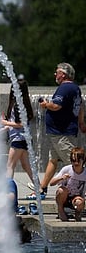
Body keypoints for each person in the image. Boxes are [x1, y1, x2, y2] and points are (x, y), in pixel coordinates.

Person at [33, 62, 85, 199]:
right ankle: (42, 189)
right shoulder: (75, 88)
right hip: (64, 131)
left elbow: (56, 106)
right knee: (53, 160)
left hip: (61, 133)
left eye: (57, 72)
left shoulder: (64, 88)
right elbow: (80, 107)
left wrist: (45, 104)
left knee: (74, 162)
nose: (55, 74)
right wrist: (81, 122)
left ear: (63, 74)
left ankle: (75, 193)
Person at [0, 79, 34, 184]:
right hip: (24, 138)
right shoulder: (23, 103)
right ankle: (40, 188)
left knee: (10, 166)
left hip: (18, 139)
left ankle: (8, 189)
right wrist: (5, 126)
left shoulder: (18, 105)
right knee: (26, 166)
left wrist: (5, 123)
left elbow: (21, 124)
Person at [50, 147, 86, 222]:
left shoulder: (85, 172)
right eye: (73, 160)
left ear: (83, 160)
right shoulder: (67, 169)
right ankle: (60, 210)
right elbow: (51, 183)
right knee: (61, 190)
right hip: (64, 198)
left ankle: (77, 213)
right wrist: (61, 178)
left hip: (77, 199)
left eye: (78, 160)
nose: (76, 163)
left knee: (79, 202)